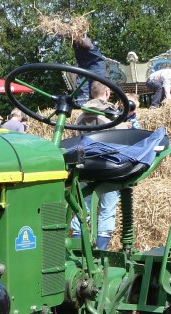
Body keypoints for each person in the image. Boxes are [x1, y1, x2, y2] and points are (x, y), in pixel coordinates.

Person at [70, 81, 122, 250]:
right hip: (107, 166)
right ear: (107, 92)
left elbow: (74, 138)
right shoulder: (110, 113)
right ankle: (101, 250)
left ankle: (77, 249)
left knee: (83, 207)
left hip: (84, 167)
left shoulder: (80, 116)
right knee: (108, 208)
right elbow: (121, 138)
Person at [72, 33, 107, 101]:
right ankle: (83, 104)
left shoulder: (87, 42)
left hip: (96, 69)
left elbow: (86, 43)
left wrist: (76, 36)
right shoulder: (75, 43)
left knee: (98, 90)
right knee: (82, 93)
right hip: (84, 70)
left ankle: (99, 105)